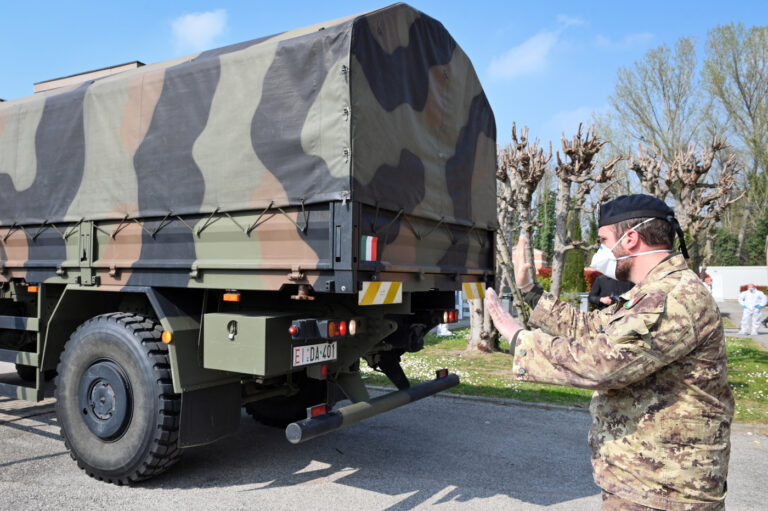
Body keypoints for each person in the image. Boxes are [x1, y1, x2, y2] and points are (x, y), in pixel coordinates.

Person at [485, 194, 733, 510]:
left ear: (630, 239)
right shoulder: (650, 293)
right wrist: (531, 291)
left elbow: (605, 364)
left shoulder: (674, 297)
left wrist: (519, 339)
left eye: (604, 241)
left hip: (665, 491)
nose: (600, 252)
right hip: (647, 483)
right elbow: (589, 327)